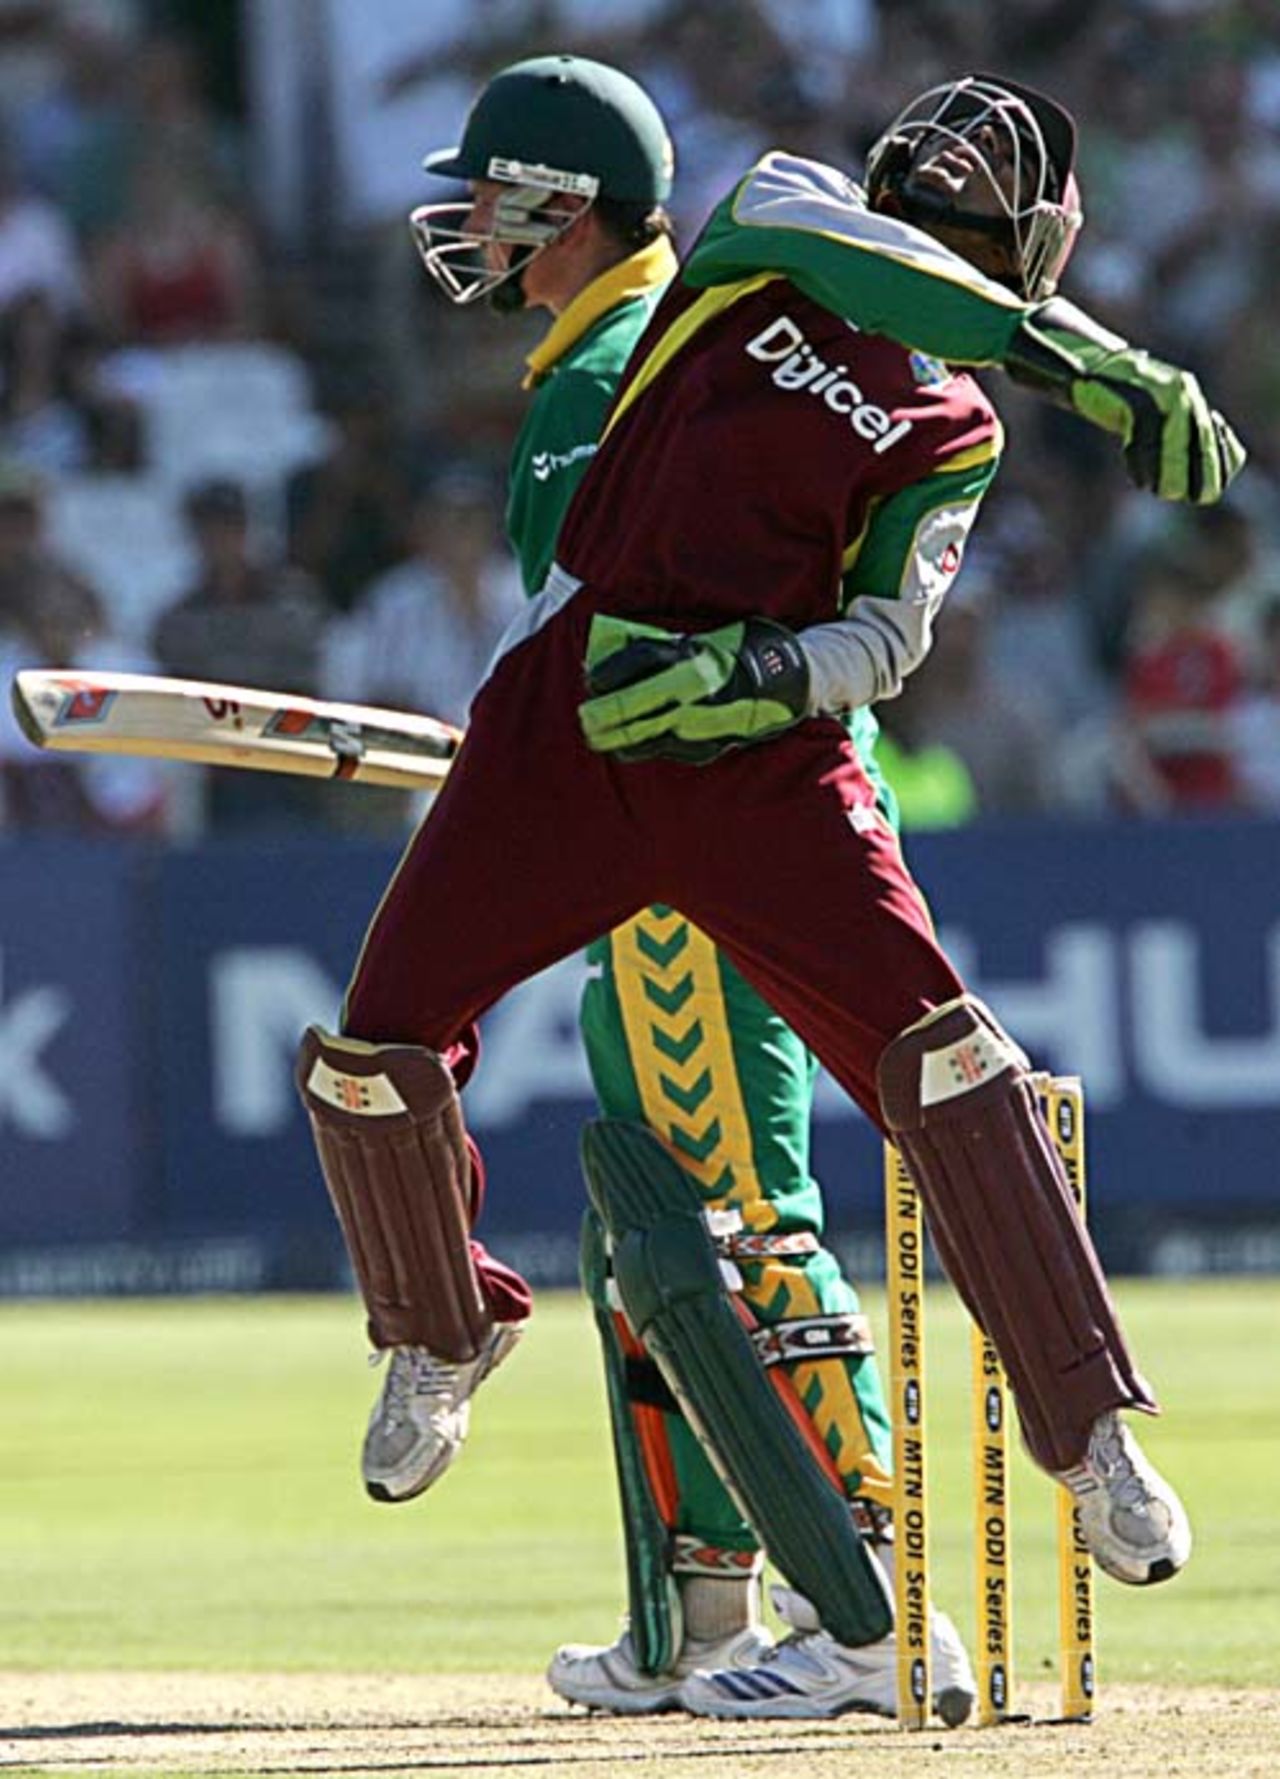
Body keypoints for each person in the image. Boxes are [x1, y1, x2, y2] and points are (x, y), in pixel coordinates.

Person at [295, 64, 1243, 1722]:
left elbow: (889, 640)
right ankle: (441, 1329)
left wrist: (760, 672)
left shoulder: (956, 426)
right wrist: (1096, 359)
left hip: (760, 767)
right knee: (373, 1057)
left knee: (953, 1066)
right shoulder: (782, 222)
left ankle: (1092, 1438)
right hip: (575, 716)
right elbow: (894, 275)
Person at [400, 54, 961, 1723]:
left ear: (565, 209)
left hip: (689, 871)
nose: (469, 224)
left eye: (495, 196)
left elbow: (666, 659)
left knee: (732, 1212)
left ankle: (880, 1602)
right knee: (656, 1226)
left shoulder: (615, 380)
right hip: (668, 858)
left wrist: (547, 787)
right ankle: (703, 1613)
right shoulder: (609, 353)